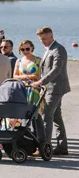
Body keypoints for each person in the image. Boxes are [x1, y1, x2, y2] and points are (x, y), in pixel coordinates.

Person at [33, 27, 71, 156]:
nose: (42, 41)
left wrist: (40, 82)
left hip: (56, 87)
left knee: (46, 116)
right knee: (56, 116)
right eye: (40, 39)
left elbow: (56, 70)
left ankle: (45, 147)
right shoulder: (49, 49)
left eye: (44, 38)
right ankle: (62, 146)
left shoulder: (58, 48)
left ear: (51, 36)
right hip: (51, 87)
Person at [9, 40, 41, 129]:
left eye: (27, 49)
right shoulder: (19, 61)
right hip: (22, 89)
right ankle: (21, 130)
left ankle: (37, 132)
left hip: (35, 89)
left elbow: (39, 76)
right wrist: (29, 77)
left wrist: (24, 76)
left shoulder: (38, 60)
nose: (25, 51)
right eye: (23, 50)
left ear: (32, 48)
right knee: (20, 112)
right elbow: (15, 76)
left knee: (34, 113)